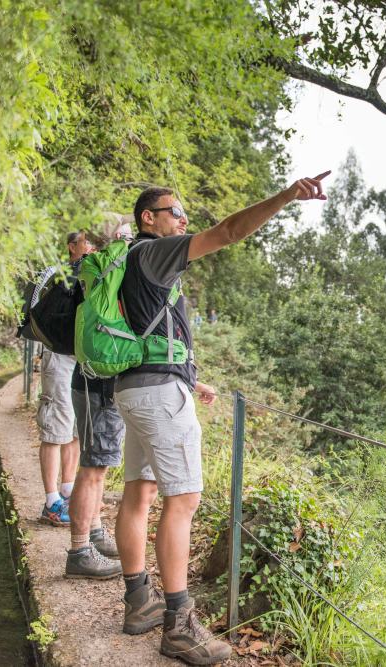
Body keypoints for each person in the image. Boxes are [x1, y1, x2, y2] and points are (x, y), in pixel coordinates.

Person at [114, 172, 328, 664]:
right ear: (149, 218)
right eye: (176, 211)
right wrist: (288, 195)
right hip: (159, 397)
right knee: (183, 500)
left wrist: (191, 377)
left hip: (135, 389)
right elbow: (229, 232)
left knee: (139, 493)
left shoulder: (126, 260)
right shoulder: (155, 251)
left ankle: (137, 602)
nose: (184, 219)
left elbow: (150, 335)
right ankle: (179, 625)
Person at [64, 221, 134, 579]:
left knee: (99, 463)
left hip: (92, 379)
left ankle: (93, 532)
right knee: (92, 467)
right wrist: (122, 243)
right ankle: (79, 551)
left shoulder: (93, 271)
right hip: (96, 383)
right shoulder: (100, 267)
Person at [36, 231, 92, 526]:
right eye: (86, 242)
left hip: (79, 358)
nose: (92, 246)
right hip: (58, 356)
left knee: (72, 429)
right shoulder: (61, 276)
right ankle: (51, 502)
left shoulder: (91, 273)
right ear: (72, 246)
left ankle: (68, 491)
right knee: (55, 429)